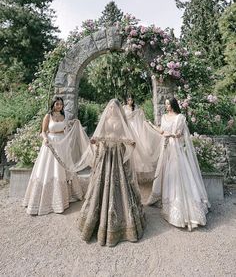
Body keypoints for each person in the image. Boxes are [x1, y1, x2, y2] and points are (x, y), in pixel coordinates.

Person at [78, 99, 145, 247]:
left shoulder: (123, 120)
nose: (112, 109)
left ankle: (125, 221)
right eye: (110, 107)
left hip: (118, 154)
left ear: (118, 109)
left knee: (121, 183)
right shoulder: (105, 119)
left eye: (115, 107)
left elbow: (127, 136)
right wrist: (95, 140)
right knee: (102, 183)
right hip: (106, 153)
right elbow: (99, 135)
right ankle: (97, 221)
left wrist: (129, 142)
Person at [146, 97, 210, 231]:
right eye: (165, 104)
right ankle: (166, 202)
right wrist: (151, 125)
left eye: (168, 104)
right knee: (169, 177)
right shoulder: (163, 117)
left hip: (176, 150)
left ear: (173, 104)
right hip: (167, 149)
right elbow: (162, 131)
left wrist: (173, 135)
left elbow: (181, 134)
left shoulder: (180, 117)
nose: (167, 106)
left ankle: (187, 211)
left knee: (180, 177)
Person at [23, 96, 89, 215]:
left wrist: (73, 124)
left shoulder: (63, 116)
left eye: (61, 104)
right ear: (53, 104)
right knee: (49, 169)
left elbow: (65, 129)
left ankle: (66, 196)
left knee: (63, 169)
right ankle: (45, 199)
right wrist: (45, 139)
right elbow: (43, 131)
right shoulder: (48, 116)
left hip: (62, 143)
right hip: (51, 143)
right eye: (57, 104)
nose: (59, 106)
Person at [123, 95, 162, 182]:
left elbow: (140, 117)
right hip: (129, 128)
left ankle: (138, 170)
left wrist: (140, 114)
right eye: (129, 99)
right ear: (126, 100)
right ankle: (129, 169)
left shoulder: (136, 108)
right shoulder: (124, 108)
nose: (130, 101)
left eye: (132, 99)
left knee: (139, 146)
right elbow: (124, 118)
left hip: (136, 127)